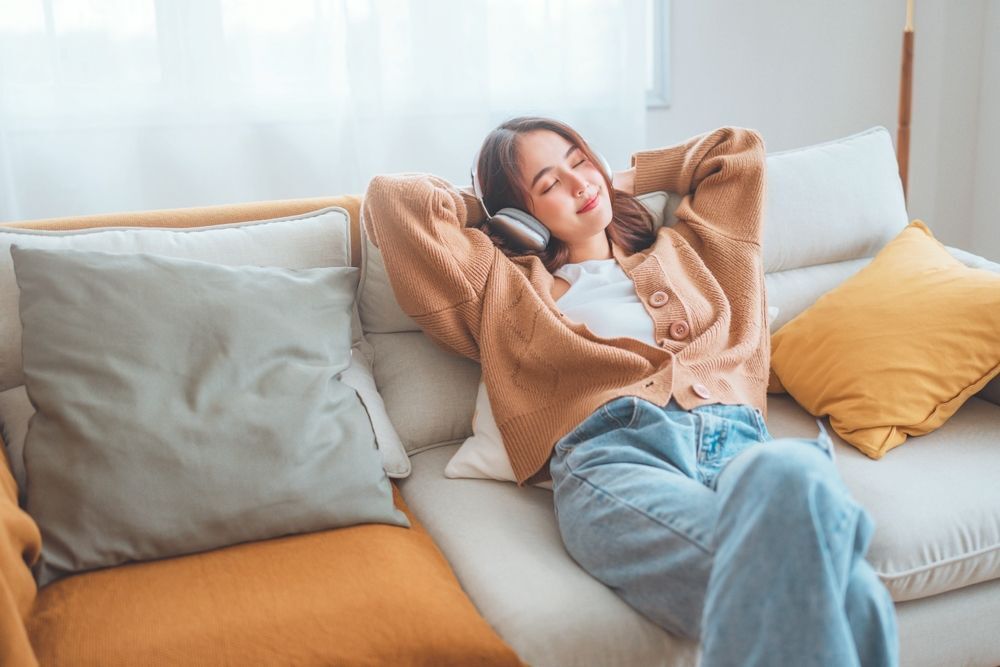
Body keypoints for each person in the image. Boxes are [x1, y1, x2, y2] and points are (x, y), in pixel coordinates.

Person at [362, 116, 898, 666]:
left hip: (738, 441)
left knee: (791, 469)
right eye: (549, 185)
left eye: (579, 161)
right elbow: (395, 200)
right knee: (847, 584)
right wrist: (495, 218)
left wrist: (622, 178)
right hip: (615, 457)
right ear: (523, 213)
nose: (578, 184)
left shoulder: (695, 249)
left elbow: (735, 151)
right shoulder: (506, 288)